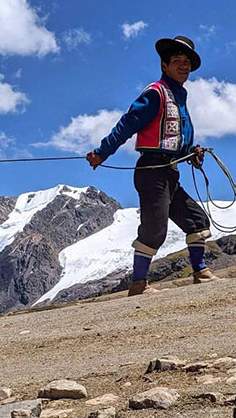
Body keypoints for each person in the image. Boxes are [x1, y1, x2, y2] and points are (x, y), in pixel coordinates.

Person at [86, 35, 219, 296]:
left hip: (170, 171)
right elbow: (128, 124)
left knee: (196, 219)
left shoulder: (179, 97)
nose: (183, 67)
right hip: (152, 170)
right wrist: (103, 153)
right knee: (155, 229)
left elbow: (177, 138)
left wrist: (191, 152)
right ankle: (138, 284)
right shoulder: (156, 93)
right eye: (177, 61)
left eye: (187, 63)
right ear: (164, 66)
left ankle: (200, 273)